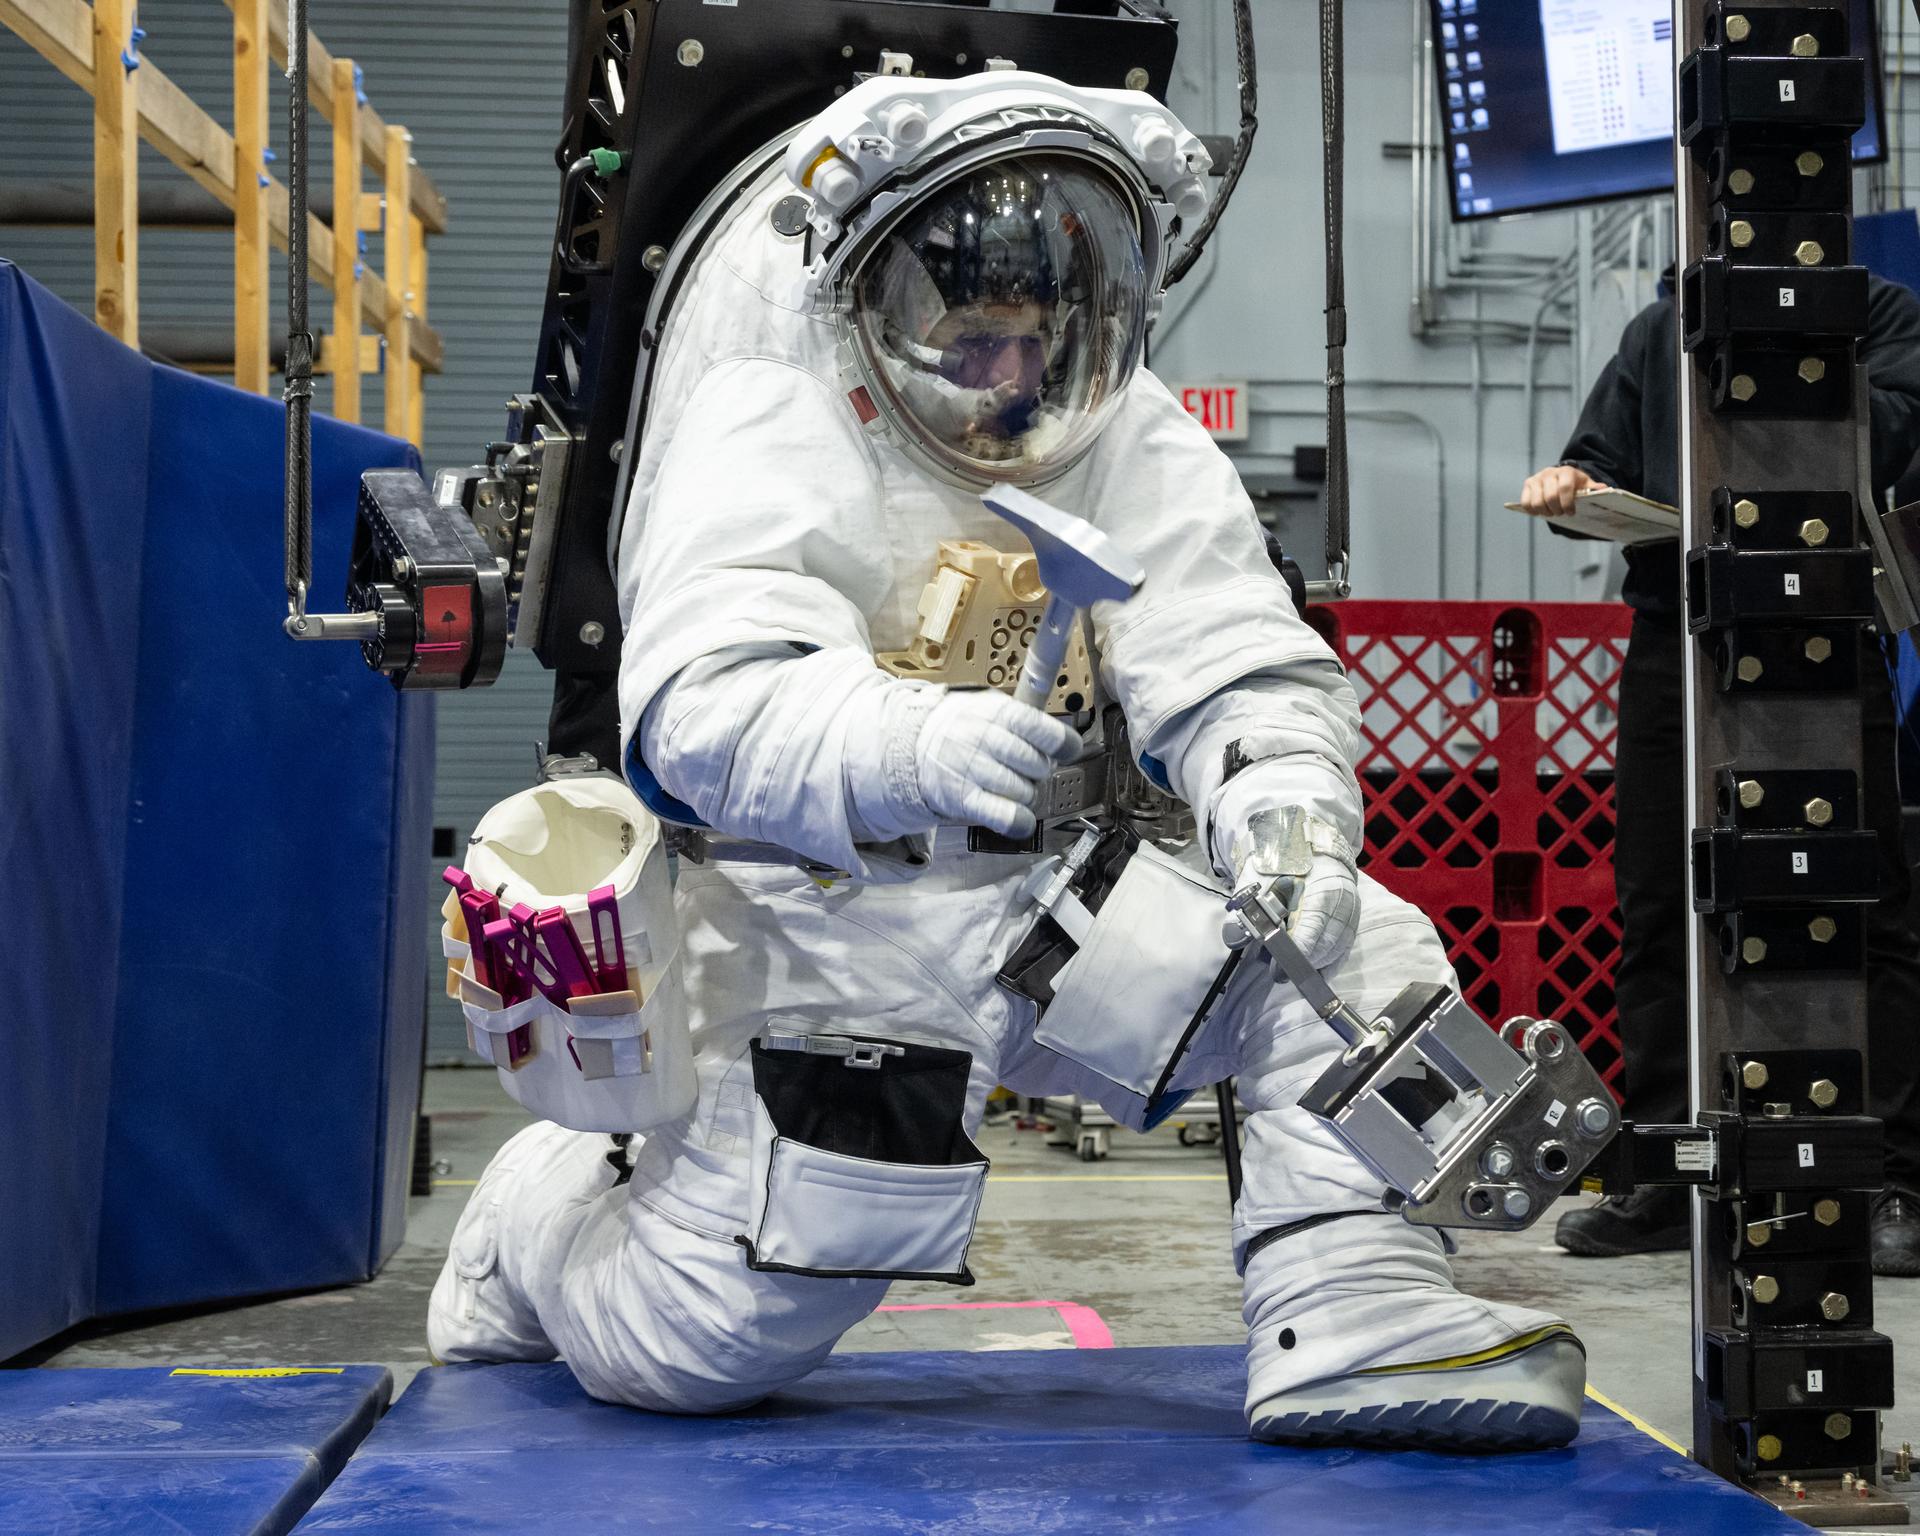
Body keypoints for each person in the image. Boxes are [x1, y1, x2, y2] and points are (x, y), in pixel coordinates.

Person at [432, 70, 1587, 1448]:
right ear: (888, 304)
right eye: (972, 341)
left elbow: (1237, 654)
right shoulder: (772, 417)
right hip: (820, 928)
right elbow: (696, 709)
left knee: (1346, 952)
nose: (1011, 380)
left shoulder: (1117, 430)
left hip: (1054, 905)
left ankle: (1352, 1308)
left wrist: (1281, 805)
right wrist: (904, 739)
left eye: (1039, 342)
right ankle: (528, 1224)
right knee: (695, 1347)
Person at [1519, 274, 1920, 1276]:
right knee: (1657, 898)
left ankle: (1898, 1180)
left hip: (1824, 626)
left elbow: (1897, 440)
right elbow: (1597, 462)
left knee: (1872, 903)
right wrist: (1570, 489)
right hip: (1676, 635)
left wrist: (1788, 358)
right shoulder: (1660, 330)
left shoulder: (1878, 317)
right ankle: (1668, 1168)